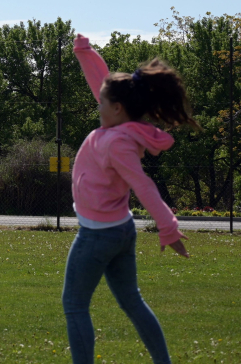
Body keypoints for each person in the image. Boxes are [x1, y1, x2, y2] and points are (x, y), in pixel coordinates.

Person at [62, 34, 198, 364]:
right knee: (131, 301)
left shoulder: (117, 142)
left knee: (75, 304)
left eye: (102, 104)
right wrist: (85, 53)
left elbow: (144, 186)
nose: (98, 105)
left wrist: (168, 228)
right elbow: (102, 85)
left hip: (98, 235)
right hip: (120, 231)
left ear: (117, 108)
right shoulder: (121, 128)